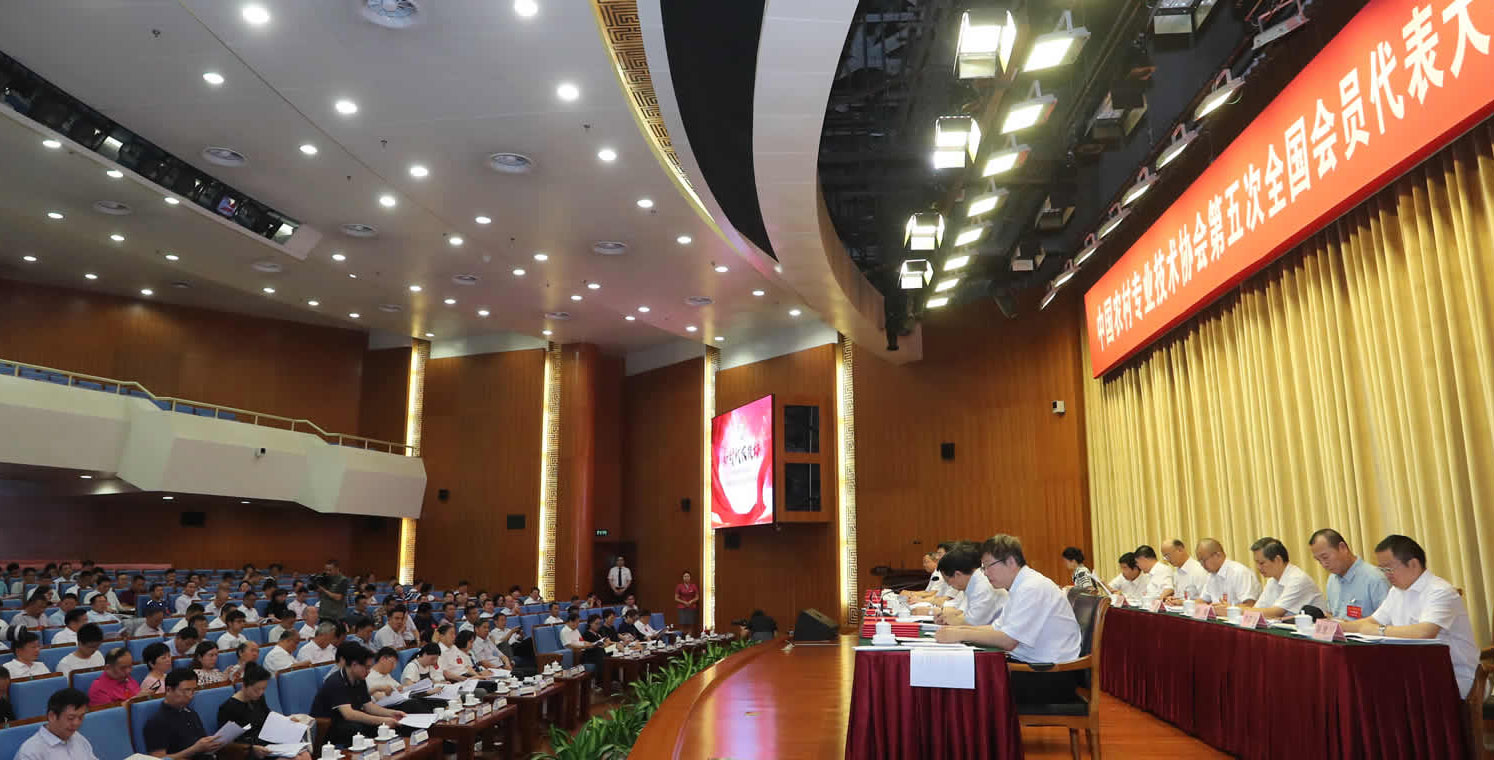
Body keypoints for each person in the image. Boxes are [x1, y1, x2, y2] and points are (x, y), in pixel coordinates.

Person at [936, 535, 1083, 704]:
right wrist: (958, 630)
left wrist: (961, 634)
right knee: (964, 675)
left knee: (966, 682)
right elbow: (996, 628)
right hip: (1034, 667)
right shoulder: (1020, 585)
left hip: (1050, 676)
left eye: (988, 566)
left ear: (1011, 562)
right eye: (983, 568)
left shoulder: (1031, 587)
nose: (985, 573)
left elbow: (1008, 640)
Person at [1338, 534, 1479, 698]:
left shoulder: (1440, 591)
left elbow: (1425, 632)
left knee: (1377, 693)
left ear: (1413, 564)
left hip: (1454, 678)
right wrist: (1339, 626)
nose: (1386, 575)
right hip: (1415, 673)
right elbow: (1372, 621)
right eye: (1382, 570)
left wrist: (1379, 630)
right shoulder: (1397, 591)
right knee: (1362, 686)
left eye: (1388, 569)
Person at [311, 643, 406, 748]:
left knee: (388, 727)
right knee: (358, 730)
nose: (369, 672)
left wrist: (391, 713)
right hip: (327, 726)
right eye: (367, 668)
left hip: (347, 721)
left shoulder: (360, 679)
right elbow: (349, 714)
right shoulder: (336, 681)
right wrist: (382, 720)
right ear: (354, 665)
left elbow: (369, 706)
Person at [218, 663, 314, 760]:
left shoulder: (258, 698)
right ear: (244, 686)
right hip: (248, 751)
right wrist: (252, 749)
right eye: (256, 690)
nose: (260, 693)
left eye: (263, 689)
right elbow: (228, 744)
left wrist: (286, 721)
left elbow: (269, 716)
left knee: (305, 755)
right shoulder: (228, 708)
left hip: (268, 744)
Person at [1308, 528, 1390, 621]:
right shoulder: (1332, 580)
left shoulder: (1375, 579)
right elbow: (1332, 615)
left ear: (1342, 548)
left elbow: (1387, 621)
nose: (1324, 564)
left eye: (1325, 557)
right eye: (1318, 560)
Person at [142, 668, 224, 759]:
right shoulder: (157, 721)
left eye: (193, 690)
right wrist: (194, 749)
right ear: (169, 690)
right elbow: (159, 758)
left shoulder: (191, 713)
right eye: (186, 690)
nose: (190, 695)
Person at [1238, 538, 1327, 618]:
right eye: (1256, 563)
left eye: (1262, 563)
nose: (1258, 567)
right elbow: (1259, 608)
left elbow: (1275, 612)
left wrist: (1238, 610)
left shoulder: (1297, 579)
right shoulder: (1272, 580)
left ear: (1278, 560)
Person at [933, 544, 1007, 626]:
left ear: (957, 574)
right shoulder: (972, 583)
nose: (949, 585)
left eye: (948, 581)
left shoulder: (983, 586)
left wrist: (950, 619)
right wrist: (948, 618)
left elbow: (972, 623)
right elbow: (964, 615)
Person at [16, 688, 98, 760]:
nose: (76, 723)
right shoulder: (30, 752)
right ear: (52, 716)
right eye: (70, 718)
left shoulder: (78, 738)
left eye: (81, 717)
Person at [1194, 538, 1261, 607]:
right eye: (1200, 561)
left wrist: (1228, 609)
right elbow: (1202, 600)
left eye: (1204, 560)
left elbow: (1250, 605)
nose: (1202, 565)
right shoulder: (1211, 575)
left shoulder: (1239, 572)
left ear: (1218, 555)